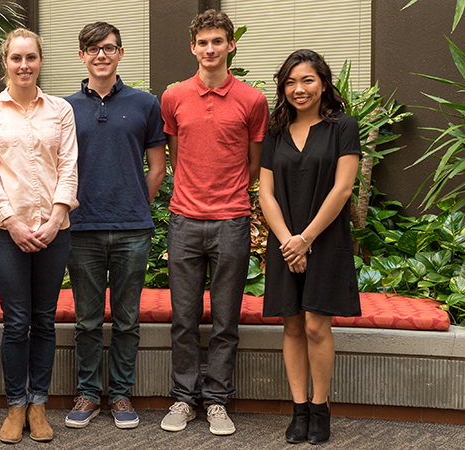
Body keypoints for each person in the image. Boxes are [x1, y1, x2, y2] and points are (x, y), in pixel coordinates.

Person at [159, 9, 269, 436]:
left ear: (231, 45)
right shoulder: (174, 97)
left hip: (231, 222)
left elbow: (254, 165)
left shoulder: (252, 100)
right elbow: (174, 154)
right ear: (193, 47)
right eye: (202, 42)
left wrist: (230, 199)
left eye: (217, 42)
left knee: (225, 321)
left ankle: (218, 401)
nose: (210, 49)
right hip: (184, 221)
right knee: (183, 319)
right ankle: (184, 399)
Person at [0, 28, 78, 444]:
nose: (24, 65)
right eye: (16, 58)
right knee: (17, 321)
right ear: (5, 63)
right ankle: (16, 404)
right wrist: (13, 223)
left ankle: (39, 404)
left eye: (31, 57)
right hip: (6, 233)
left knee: (44, 320)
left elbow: (69, 165)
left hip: (56, 231)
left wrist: (54, 219)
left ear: (40, 61)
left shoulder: (61, 110)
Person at [63, 22, 167, 430]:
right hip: (81, 227)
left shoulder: (145, 103)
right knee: (87, 320)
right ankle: (88, 393)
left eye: (108, 48)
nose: (101, 55)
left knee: (127, 320)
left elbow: (158, 167)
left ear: (121, 53)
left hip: (132, 229)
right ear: (81, 56)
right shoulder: (64, 107)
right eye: (92, 49)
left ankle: (121, 394)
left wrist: (136, 203)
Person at [259, 49, 361, 445]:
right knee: (292, 323)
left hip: (325, 239)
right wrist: (288, 241)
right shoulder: (276, 130)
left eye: (307, 80)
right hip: (285, 242)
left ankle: (320, 408)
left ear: (323, 84)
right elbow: (265, 192)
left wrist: (306, 239)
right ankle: (298, 409)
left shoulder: (342, 126)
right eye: (290, 82)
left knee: (317, 324)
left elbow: (343, 188)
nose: (298, 89)